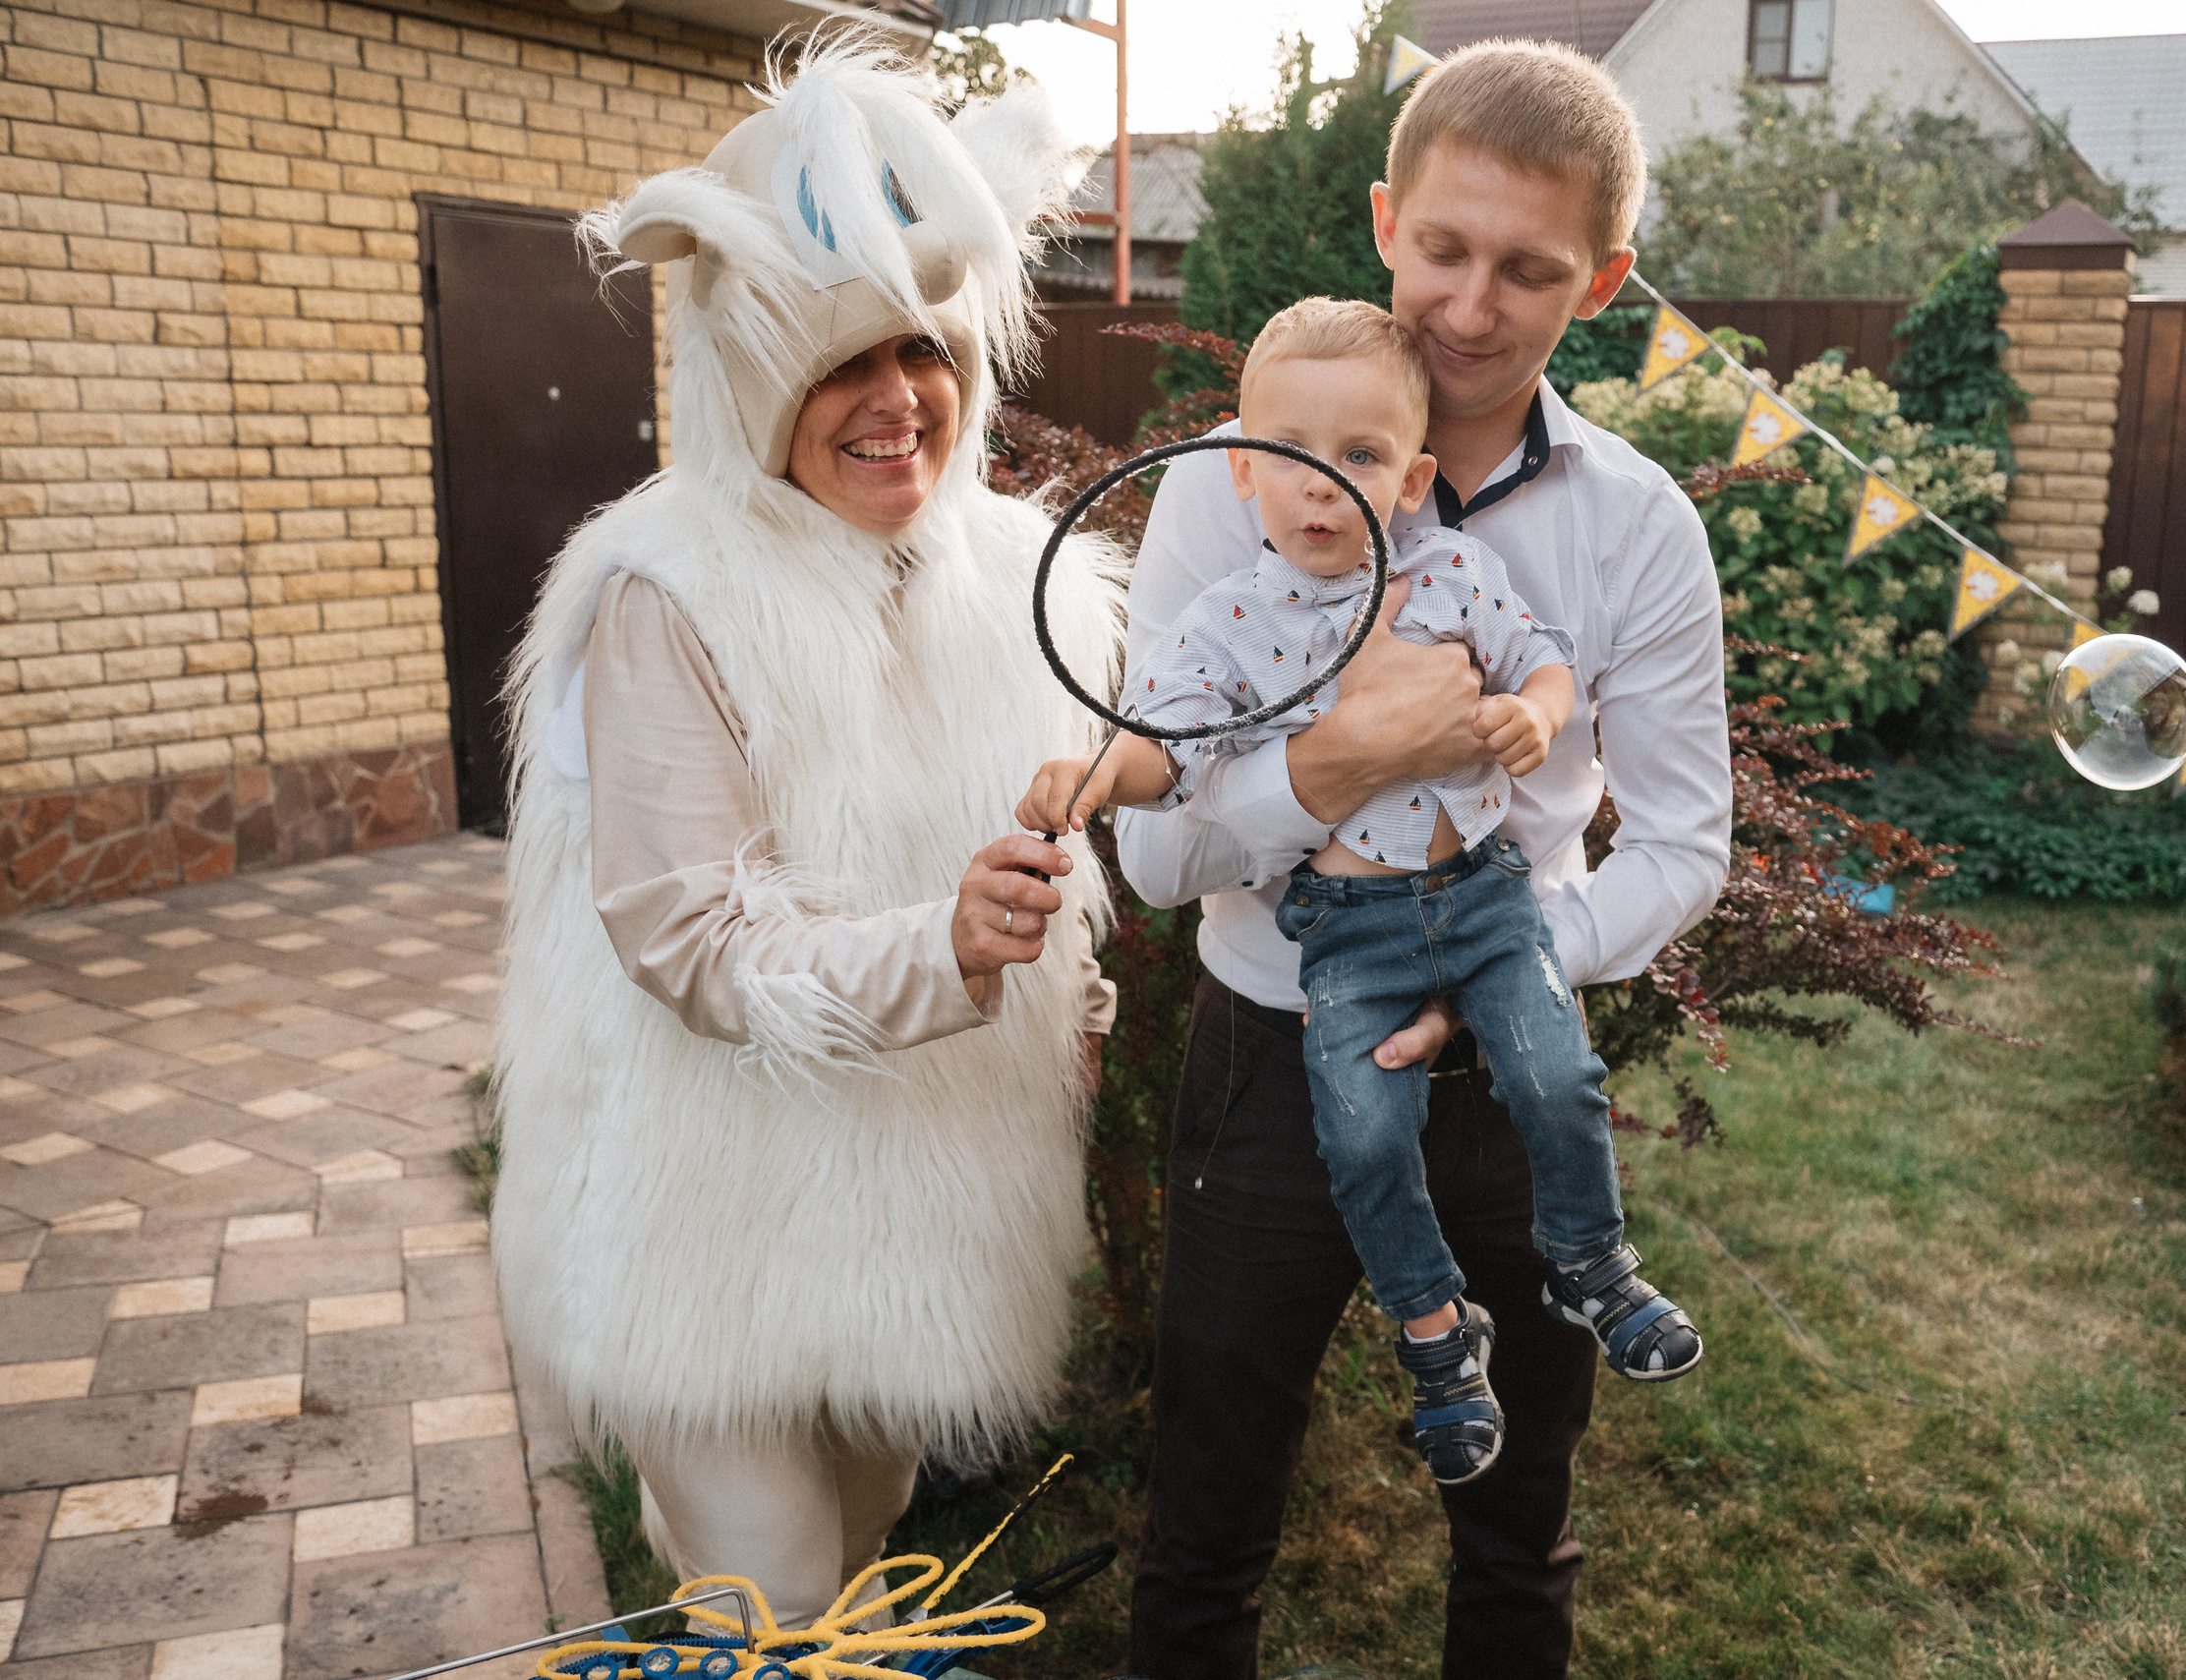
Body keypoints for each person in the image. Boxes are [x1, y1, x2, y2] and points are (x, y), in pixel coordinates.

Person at [1111, 42, 1733, 1680]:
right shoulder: (1221, 496)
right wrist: (1343, 763)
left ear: (1599, 279)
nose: (1471, 304)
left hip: (1510, 1080)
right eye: (1444, 248)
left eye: (1530, 268)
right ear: (1385, 219)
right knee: (1205, 1523)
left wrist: (1509, 962)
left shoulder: (1640, 526)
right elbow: (1161, 854)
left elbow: (1682, 842)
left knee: (1521, 1536)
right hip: (1270, 1054)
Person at [491, 41, 1123, 1631]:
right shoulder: (664, 587)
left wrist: (1072, 991)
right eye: (841, 362)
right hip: (709, 1203)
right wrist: (944, 943)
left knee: (870, 1528)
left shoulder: (1023, 579)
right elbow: (686, 930)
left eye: (926, 349)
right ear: (753, 370)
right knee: (774, 1601)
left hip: (922, 1188)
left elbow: (1072, 864)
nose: (898, 400)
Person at [1018, 298, 1702, 1494]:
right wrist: (1090, 776)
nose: (1324, 486)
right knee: (1362, 1135)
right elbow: (1165, 755)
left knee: (1553, 1073)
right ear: (1241, 467)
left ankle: (1594, 1263)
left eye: (1363, 459)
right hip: (1344, 940)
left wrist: (1533, 713)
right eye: (1292, 459)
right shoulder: (1230, 618)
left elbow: (1543, 659)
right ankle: (1439, 1337)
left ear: (1411, 476)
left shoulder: (1453, 569)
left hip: (1489, 901)